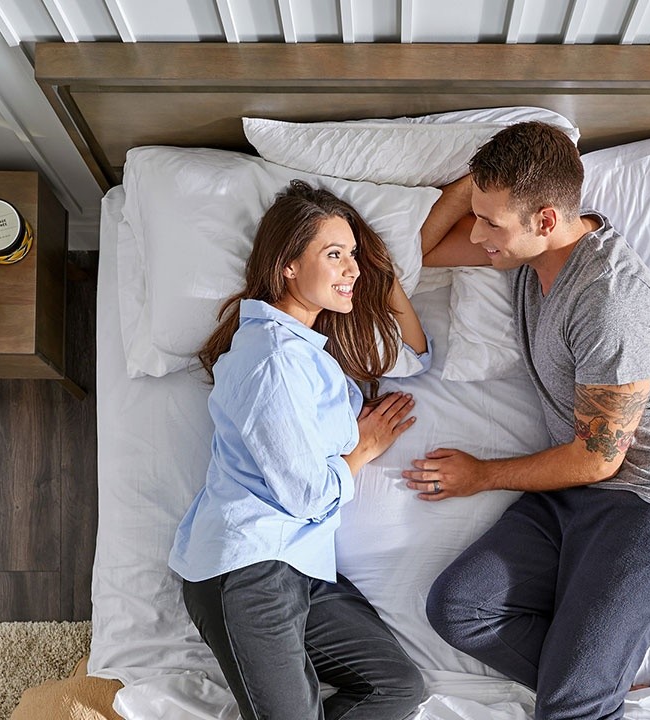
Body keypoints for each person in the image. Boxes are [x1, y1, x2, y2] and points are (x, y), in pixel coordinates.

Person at [403, 122, 650, 719]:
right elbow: (415, 252)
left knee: (568, 710)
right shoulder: (528, 248)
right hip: (577, 489)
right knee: (459, 608)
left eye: (490, 223)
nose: (477, 235)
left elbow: (600, 457)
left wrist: (480, 476)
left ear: (546, 220)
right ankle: (597, 688)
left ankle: (587, 695)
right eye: (479, 215)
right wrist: (473, 190)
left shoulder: (610, 303)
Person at [169, 180, 428, 720]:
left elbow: (415, 355)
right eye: (334, 255)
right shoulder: (272, 359)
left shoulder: (310, 352)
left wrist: (380, 271)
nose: (351, 268)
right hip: (248, 567)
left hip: (301, 568)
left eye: (352, 254)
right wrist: (362, 449)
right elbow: (307, 494)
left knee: (398, 687)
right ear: (288, 265)